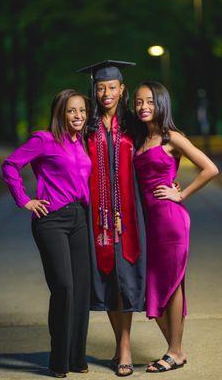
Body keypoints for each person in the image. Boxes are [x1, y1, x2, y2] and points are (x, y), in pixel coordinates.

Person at [2, 89, 92, 378]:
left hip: (80, 217)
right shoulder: (44, 140)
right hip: (51, 219)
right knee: (64, 287)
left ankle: (76, 358)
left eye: (82, 110)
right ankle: (58, 361)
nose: (78, 116)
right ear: (60, 113)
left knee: (80, 290)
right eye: (71, 110)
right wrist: (24, 199)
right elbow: (10, 165)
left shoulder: (82, 143)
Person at [133, 81, 219, 373]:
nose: (143, 107)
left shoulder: (173, 137)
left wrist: (180, 194)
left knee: (170, 282)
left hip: (170, 219)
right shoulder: (139, 140)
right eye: (138, 102)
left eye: (149, 101)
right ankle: (176, 350)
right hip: (150, 223)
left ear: (161, 104)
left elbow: (210, 168)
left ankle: (175, 351)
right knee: (154, 286)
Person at [78, 60, 146, 376]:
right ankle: (121, 345)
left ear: (122, 89)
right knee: (108, 281)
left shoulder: (135, 124)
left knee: (125, 279)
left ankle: (126, 346)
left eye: (112, 87)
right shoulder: (86, 127)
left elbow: (156, 153)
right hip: (96, 216)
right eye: (101, 87)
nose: (106, 92)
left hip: (130, 214)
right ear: (95, 90)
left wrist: (170, 183)